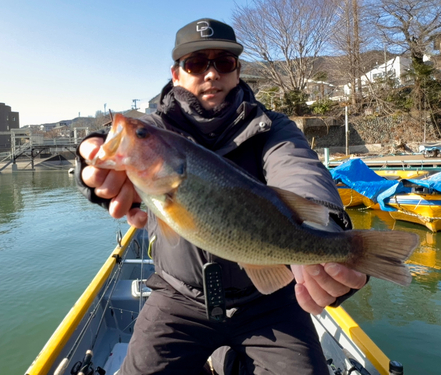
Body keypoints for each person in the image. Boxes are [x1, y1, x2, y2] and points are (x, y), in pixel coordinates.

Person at [76, 18, 367, 375]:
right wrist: (89, 168)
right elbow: (105, 142)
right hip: (176, 295)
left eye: (223, 63)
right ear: (176, 74)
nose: (211, 74)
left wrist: (332, 234)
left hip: (268, 301)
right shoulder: (156, 128)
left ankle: (227, 362)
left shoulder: (274, 128)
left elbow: (300, 173)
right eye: (197, 63)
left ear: (237, 70)